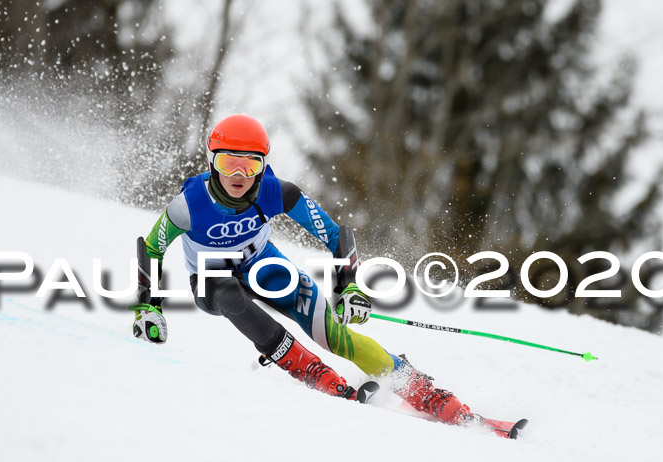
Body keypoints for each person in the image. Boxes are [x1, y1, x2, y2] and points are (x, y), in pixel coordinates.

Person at [130, 114, 472, 422]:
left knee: (332, 333)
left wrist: (347, 287)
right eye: (227, 162)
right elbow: (152, 248)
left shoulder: (277, 192)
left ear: (263, 166)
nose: (238, 174)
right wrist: (149, 306)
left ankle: (415, 386)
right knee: (229, 293)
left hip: (261, 262)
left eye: (250, 166)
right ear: (211, 162)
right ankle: (311, 371)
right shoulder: (188, 206)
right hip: (210, 276)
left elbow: (335, 234)